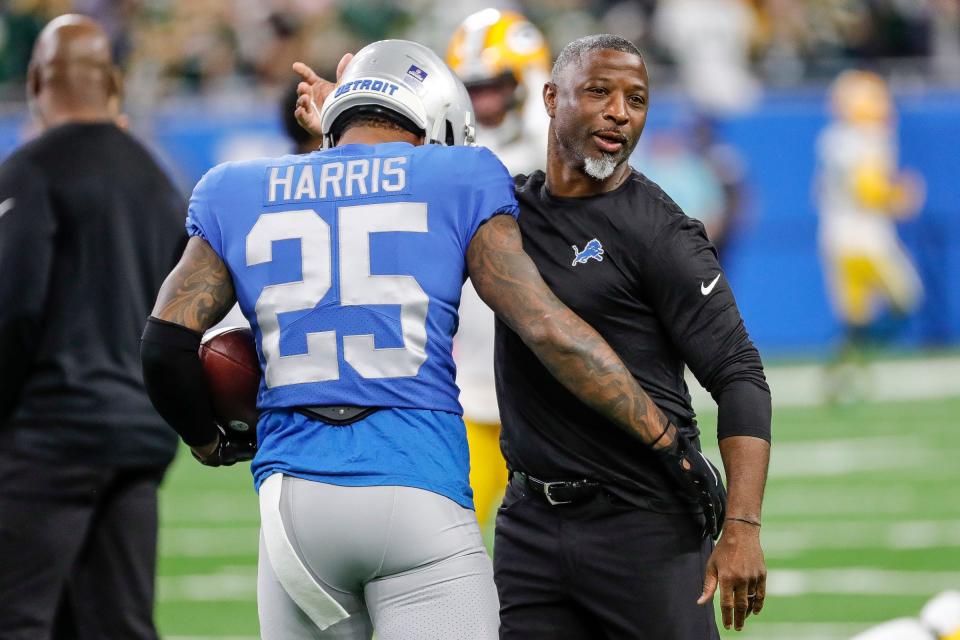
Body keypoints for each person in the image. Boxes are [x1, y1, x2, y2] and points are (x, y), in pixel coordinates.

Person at [142, 40, 724, 639]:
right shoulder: (459, 175)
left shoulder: (233, 188)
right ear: (437, 123)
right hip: (415, 492)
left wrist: (209, 440)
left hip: (292, 508)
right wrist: (665, 440)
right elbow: (551, 331)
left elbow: (164, 344)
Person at [490, 35, 771, 638]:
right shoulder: (506, 207)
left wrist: (743, 527)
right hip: (529, 527)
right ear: (550, 98)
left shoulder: (661, 231)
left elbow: (740, 376)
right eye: (599, 92)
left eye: (637, 99)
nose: (620, 111)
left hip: (645, 523)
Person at [0, 14, 185, 640]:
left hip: (50, 437)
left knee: (17, 619)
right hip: (137, 439)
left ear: (34, 81)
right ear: (114, 83)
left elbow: (12, 310)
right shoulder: (160, 180)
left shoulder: (28, 171)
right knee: (118, 625)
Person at [445, 8, 552, 528]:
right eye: (475, 88)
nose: (486, 100)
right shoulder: (449, 156)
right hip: (472, 375)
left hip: (549, 370)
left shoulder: (556, 150)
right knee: (457, 525)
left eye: (498, 84)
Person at [815, 69, 925, 401]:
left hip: (837, 235)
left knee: (857, 318)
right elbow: (867, 188)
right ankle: (851, 367)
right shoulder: (865, 139)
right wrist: (898, 197)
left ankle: (844, 370)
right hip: (866, 238)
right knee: (904, 302)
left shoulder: (832, 138)